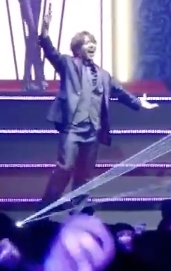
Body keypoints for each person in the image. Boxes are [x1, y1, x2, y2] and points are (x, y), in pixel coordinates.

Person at [37, 14, 158, 206]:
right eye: (87, 43)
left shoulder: (104, 75)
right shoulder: (68, 64)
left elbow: (120, 92)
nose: (92, 45)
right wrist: (44, 31)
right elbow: (51, 52)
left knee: (85, 174)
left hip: (92, 131)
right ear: (78, 48)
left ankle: (80, 208)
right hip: (72, 129)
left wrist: (139, 103)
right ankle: (48, 204)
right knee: (65, 167)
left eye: (93, 42)